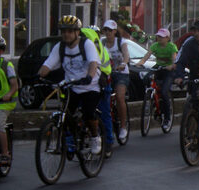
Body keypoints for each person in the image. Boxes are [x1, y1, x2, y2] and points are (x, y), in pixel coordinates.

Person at [39, 16, 102, 155]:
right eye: (63, 31)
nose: (66, 34)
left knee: (89, 113)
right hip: (71, 86)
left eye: (69, 31)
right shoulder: (60, 47)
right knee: (65, 115)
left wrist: (89, 77)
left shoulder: (86, 44)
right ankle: (71, 141)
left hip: (90, 86)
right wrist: (39, 75)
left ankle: (94, 136)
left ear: (77, 32)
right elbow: (48, 65)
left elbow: (93, 63)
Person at [136, 28, 178, 130]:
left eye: (161, 37)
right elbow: (147, 56)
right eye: (158, 36)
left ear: (167, 38)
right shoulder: (155, 46)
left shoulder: (171, 47)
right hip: (158, 67)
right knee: (146, 79)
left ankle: (167, 119)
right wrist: (141, 62)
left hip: (168, 70)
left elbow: (174, 61)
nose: (159, 38)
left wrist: (171, 66)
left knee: (164, 92)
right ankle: (150, 98)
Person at [82, 26, 114, 156]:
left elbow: (97, 64)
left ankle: (108, 144)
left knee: (104, 112)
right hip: (88, 82)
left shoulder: (98, 47)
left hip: (102, 80)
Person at [101, 20, 131, 142]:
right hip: (107, 73)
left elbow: (126, 55)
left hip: (121, 73)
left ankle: (123, 126)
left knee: (119, 97)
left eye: (110, 30)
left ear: (114, 31)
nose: (107, 32)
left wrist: (123, 63)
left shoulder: (121, 42)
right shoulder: (101, 42)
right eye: (105, 30)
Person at [0, 35, 18, 166]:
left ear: (1, 51)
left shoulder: (6, 65)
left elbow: (15, 85)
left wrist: (9, 94)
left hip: (5, 103)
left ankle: (5, 154)